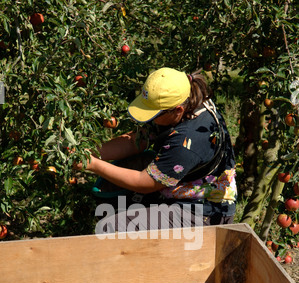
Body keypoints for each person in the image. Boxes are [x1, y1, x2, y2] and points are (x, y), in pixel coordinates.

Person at [74, 67, 237, 233]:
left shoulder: (187, 142)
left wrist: (92, 164)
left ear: (178, 110)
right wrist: (86, 152)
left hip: (202, 211)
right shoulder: (187, 99)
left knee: (110, 228)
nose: (151, 119)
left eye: (154, 114)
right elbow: (137, 140)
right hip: (181, 188)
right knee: (115, 204)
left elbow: (144, 182)